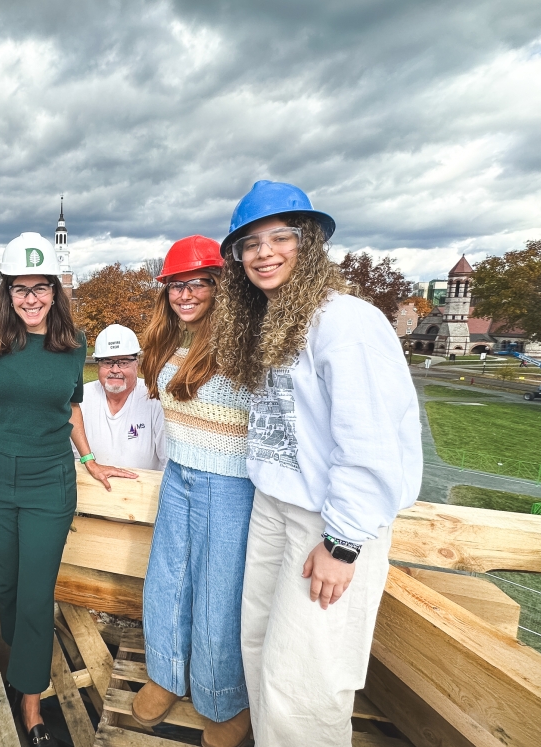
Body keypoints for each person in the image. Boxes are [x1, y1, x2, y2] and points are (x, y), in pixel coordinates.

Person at [212, 180, 421, 746]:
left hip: (326, 524)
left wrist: (344, 541)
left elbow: (371, 441)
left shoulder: (344, 322)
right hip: (274, 504)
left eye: (281, 237)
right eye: (249, 243)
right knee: (256, 643)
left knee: (305, 674)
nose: (264, 252)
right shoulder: (271, 322)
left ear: (310, 244)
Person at [0, 233, 136, 744]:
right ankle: (25, 661)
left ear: (54, 292)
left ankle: (31, 699)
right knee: (9, 585)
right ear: (7, 292)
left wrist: (88, 458)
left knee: (38, 592)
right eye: (21, 289)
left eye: (41, 287)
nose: (32, 299)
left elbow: (71, 406)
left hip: (48, 480)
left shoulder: (74, 344)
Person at [132, 235, 255, 747]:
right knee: (167, 579)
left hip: (229, 482)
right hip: (180, 472)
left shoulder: (242, 338)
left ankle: (223, 698)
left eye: (196, 283)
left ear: (219, 285)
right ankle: (166, 673)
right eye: (175, 285)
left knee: (218, 595)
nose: (184, 294)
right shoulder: (168, 338)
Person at [74, 324, 166, 470]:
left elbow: (167, 462)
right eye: (107, 362)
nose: (115, 370)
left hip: (142, 489)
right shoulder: (81, 400)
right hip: (91, 488)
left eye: (123, 362)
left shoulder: (155, 399)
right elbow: (73, 457)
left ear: (137, 363)